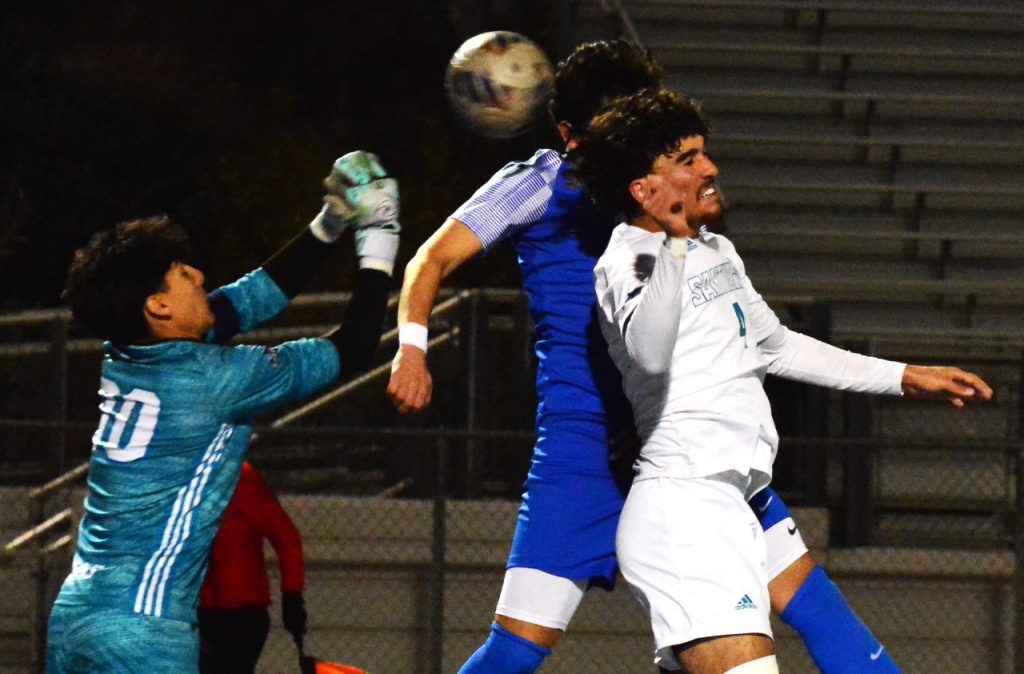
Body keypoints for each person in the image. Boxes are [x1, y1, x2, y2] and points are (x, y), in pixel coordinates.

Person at [387, 40, 914, 674]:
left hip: (678, 439)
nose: (635, 137)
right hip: (583, 452)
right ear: (568, 133)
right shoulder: (534, 185)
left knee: (812, 606)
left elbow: (756, 334)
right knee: (516, 650)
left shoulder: (664, 205)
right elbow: (432, 258)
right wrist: (412, 351)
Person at [571, 87, 993, 673]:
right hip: (686, 512)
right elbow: (648, 353)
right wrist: (670, 246)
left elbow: (778, 345)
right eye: (687, 160)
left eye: (704, 153)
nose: (709, 168)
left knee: (852, 650)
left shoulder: (716, 251)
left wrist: (903, 376)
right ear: (644, 190)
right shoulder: (629, 260)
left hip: (737, 502)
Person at [46, 151, 401, 673]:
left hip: (75, 613)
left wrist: (330, 223)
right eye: (181, 272)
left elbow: (247, 300)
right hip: (144, 628)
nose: (198, 274)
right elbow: (354, 346)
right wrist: (380, 235)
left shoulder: (123, 352)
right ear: (158, 306)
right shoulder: (216, 381)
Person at [198, 460, 306, 673]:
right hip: (199, 612)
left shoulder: (239, 478)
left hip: (240, 614)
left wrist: (292, 595)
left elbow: (286, 537)